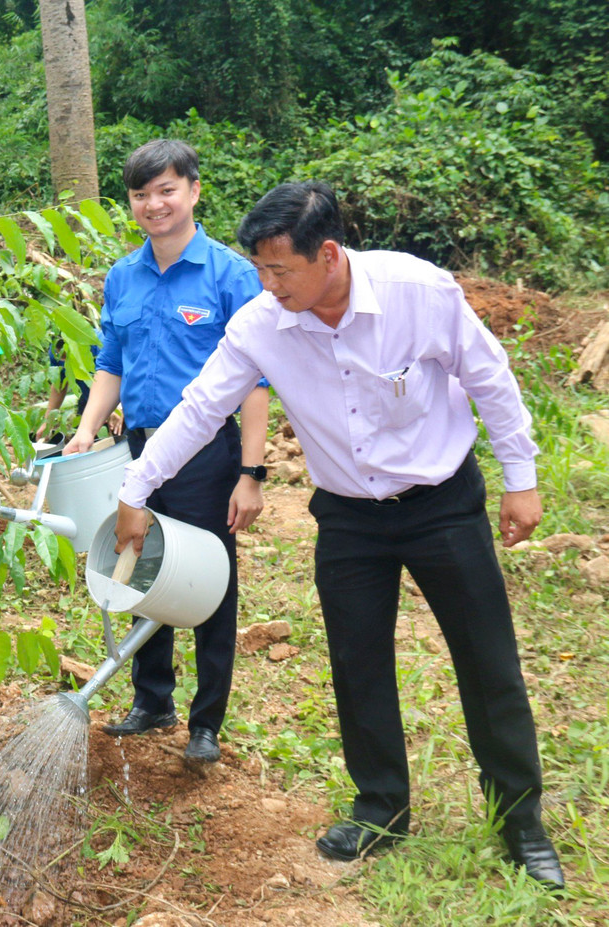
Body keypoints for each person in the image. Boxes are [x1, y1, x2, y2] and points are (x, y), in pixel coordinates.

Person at [114, 181, 564, 889]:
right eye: (258, 270)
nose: (266, 285)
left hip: (441, 500)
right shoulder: (263, 321)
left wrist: (522, 474)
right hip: (349, 514)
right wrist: (134, 490)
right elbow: (202, 407)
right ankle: (381, 806)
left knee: (488, 662)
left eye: (279, 270)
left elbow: (490, 376)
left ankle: (520, 820)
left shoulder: (420, 292)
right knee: (358, 666)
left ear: (328, 254)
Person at [63, 140, 269, 768]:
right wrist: (85, 428)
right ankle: (152, 699)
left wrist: (251, 473)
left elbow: (258, 378)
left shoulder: (231, 275)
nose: (153, 204)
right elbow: (110, 364)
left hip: (207, 455)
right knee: (141, 562)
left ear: (194, 192)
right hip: (140, 449)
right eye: (140, 194)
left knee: (208, 578)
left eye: (166, 191)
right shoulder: (123, 275)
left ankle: (206, 722)